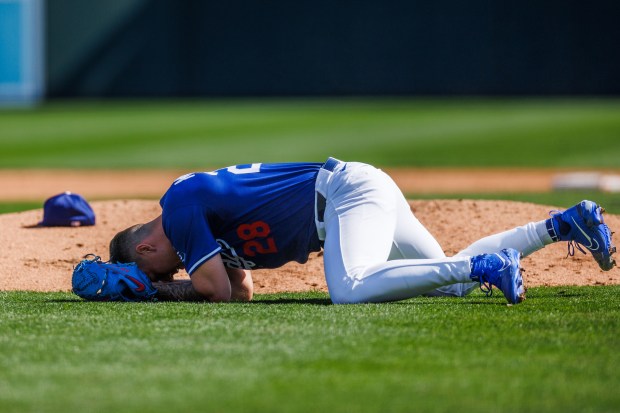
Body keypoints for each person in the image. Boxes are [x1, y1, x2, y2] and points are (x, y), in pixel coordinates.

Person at [109, 158, 616, 304]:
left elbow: (214, 290)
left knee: (350, 288)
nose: (168, 270)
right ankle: (561, 225)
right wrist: (165, 284)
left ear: (147, 245)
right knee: (455, 286)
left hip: (345, 198)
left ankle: (485, 265)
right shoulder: (197, 225)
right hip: (356, 190)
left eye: (153, 266)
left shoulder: (177, 209)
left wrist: (158, 293)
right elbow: (238, 291)